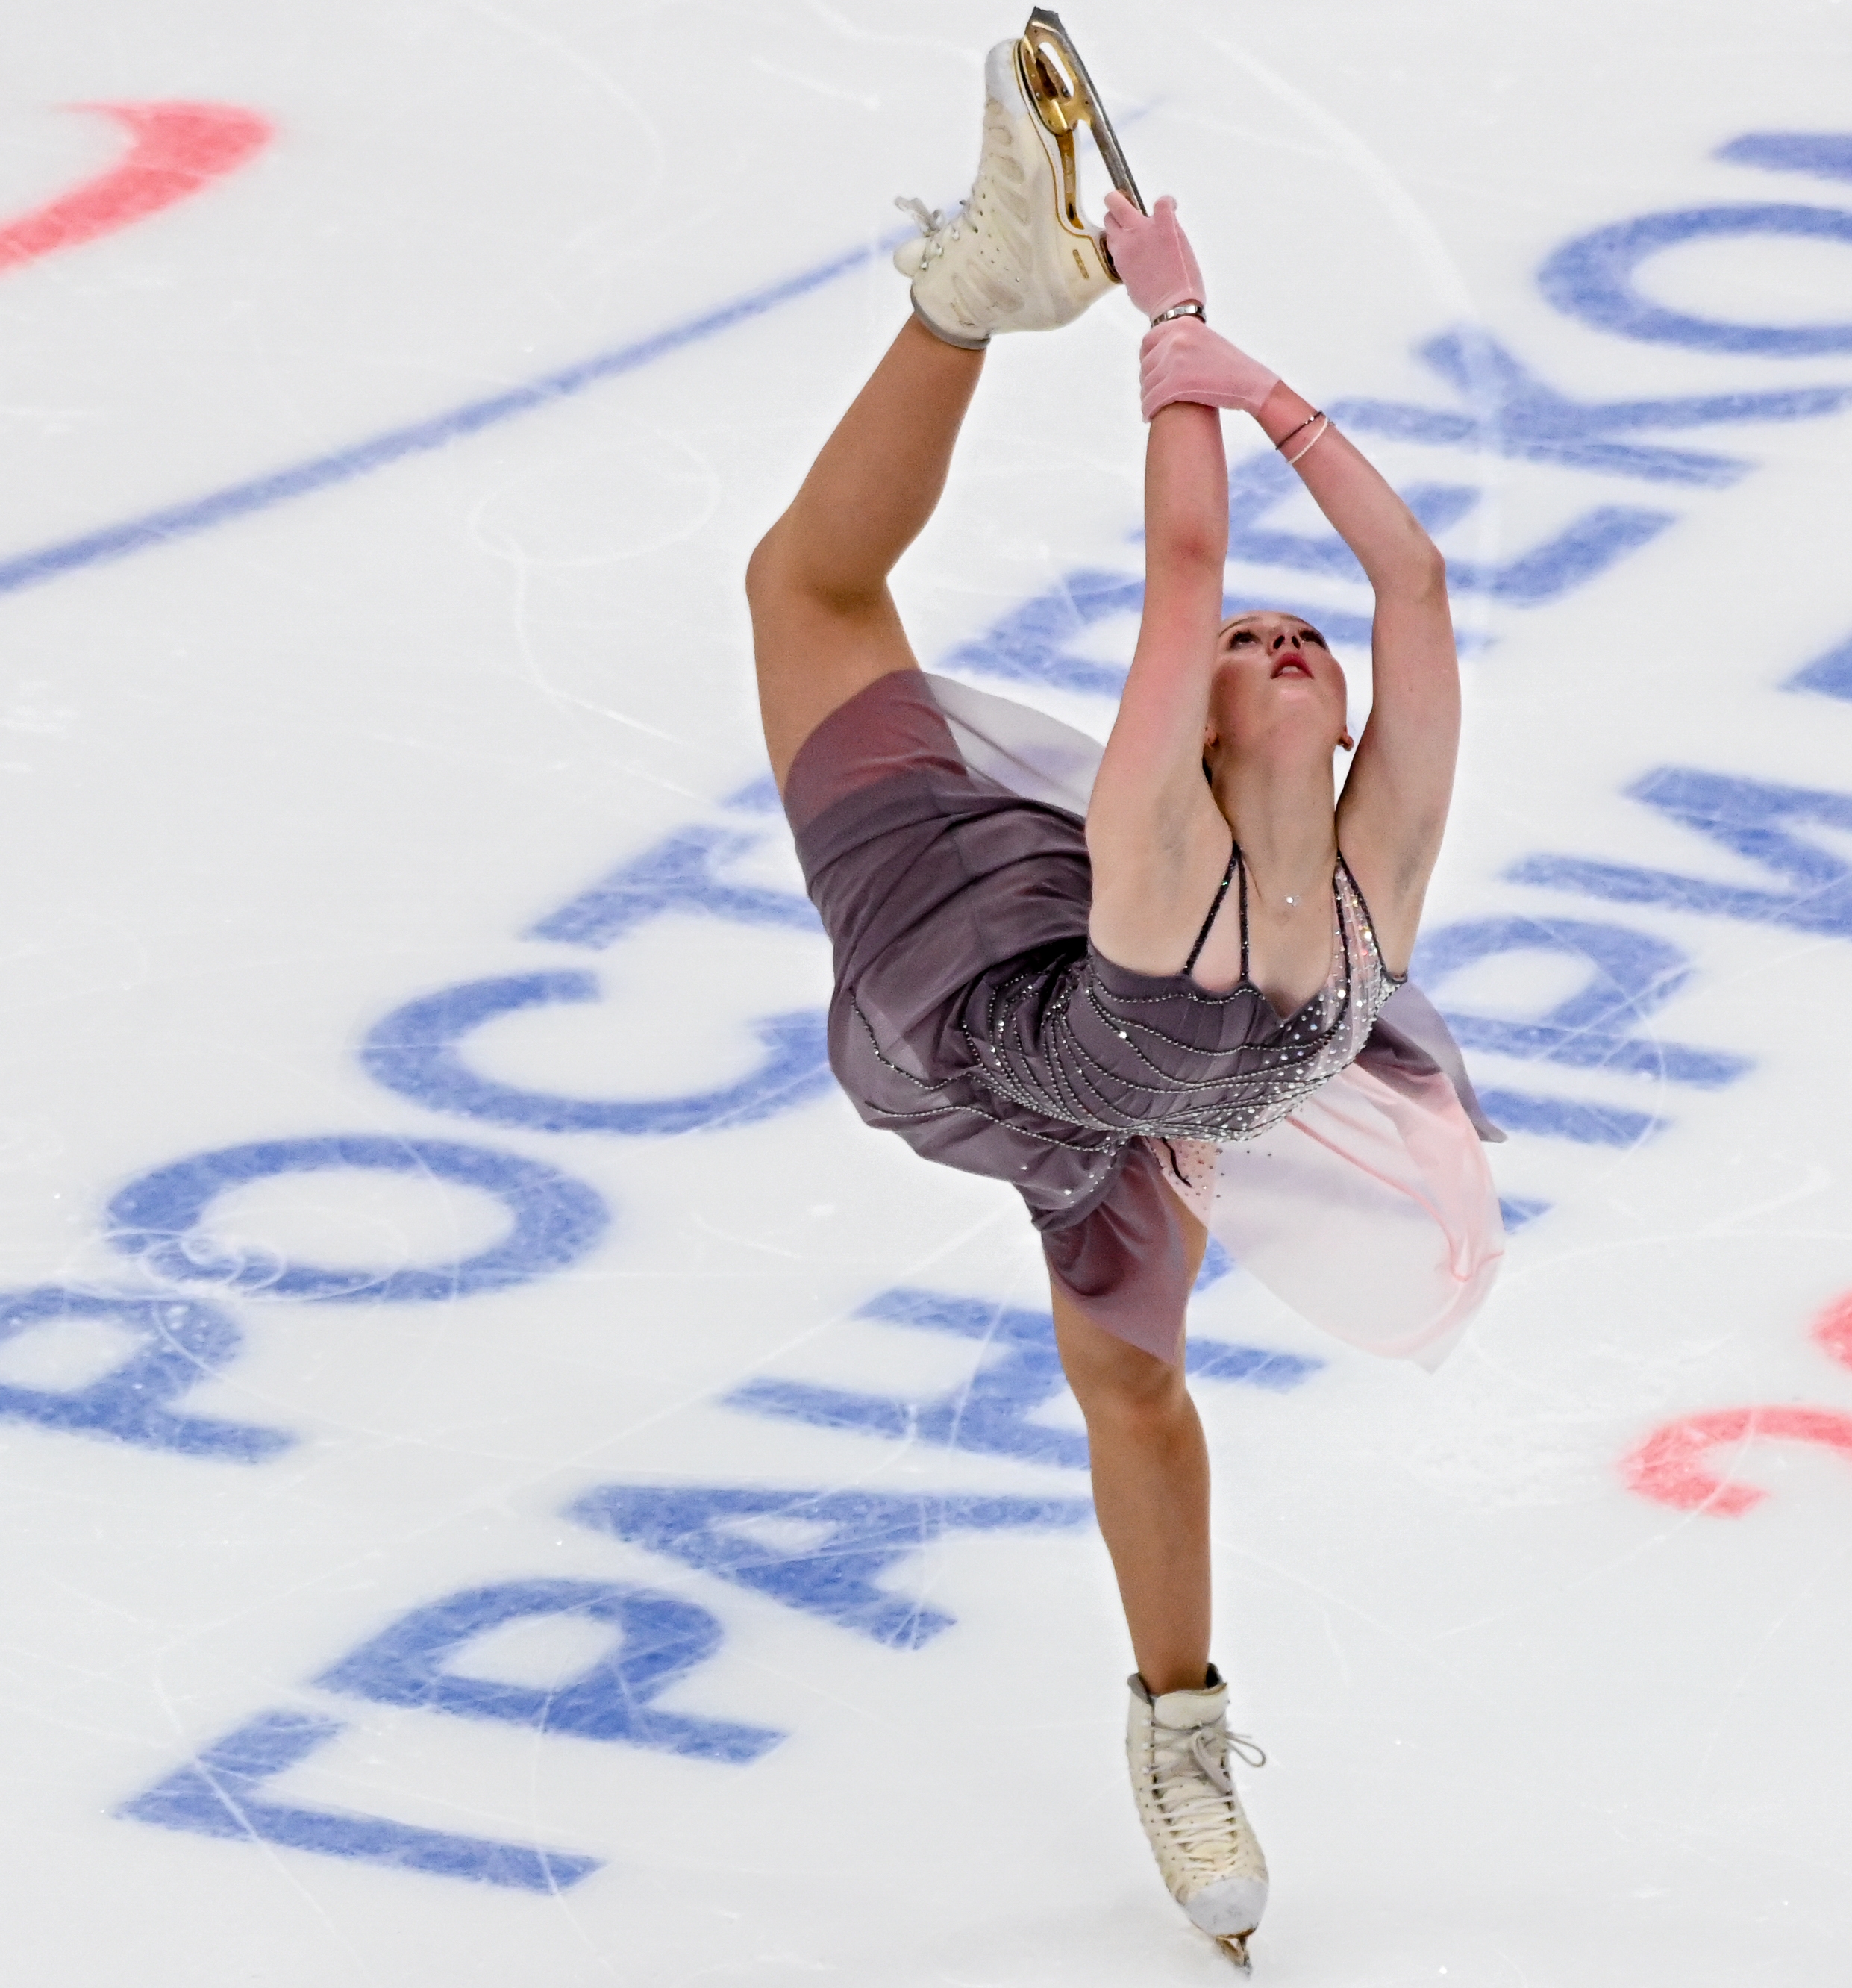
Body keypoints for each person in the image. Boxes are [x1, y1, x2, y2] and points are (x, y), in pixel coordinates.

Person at [742, 22, 1505, 1966]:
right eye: (1262, 641)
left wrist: (1219, 368)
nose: (1285, 633)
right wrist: (1208, 364)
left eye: (1291, 643)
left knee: (1138, 1392)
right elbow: (1228, 575)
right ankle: (968, 299)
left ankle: (1182, 1733)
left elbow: (1381, 587)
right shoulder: (1170, 854)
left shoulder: (1359, 870)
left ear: (1324, 733)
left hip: (1093, 1075)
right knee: (808, 598)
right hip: (971, 981)